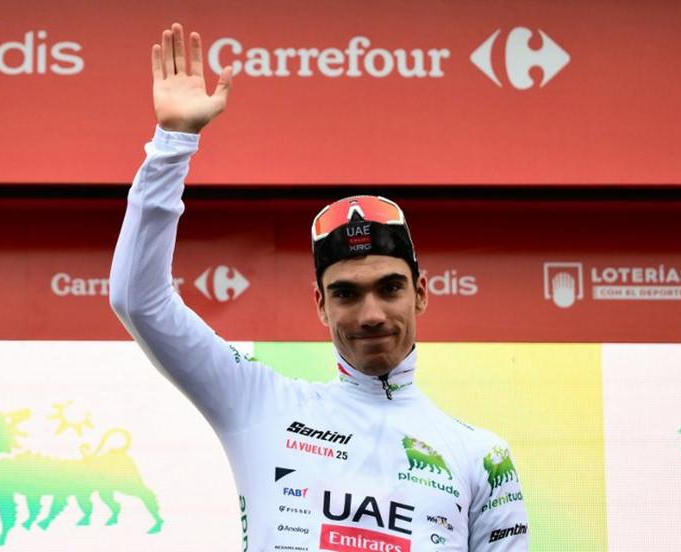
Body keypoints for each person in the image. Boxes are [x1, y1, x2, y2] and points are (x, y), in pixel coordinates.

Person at [110, 22, 528, 552]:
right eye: (346, 294)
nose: (371, 312)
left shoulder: (480, 456)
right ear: (320, 306)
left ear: (421, 292)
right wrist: (173, 144)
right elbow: (138, 300)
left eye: (390, 287)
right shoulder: (260, 404)